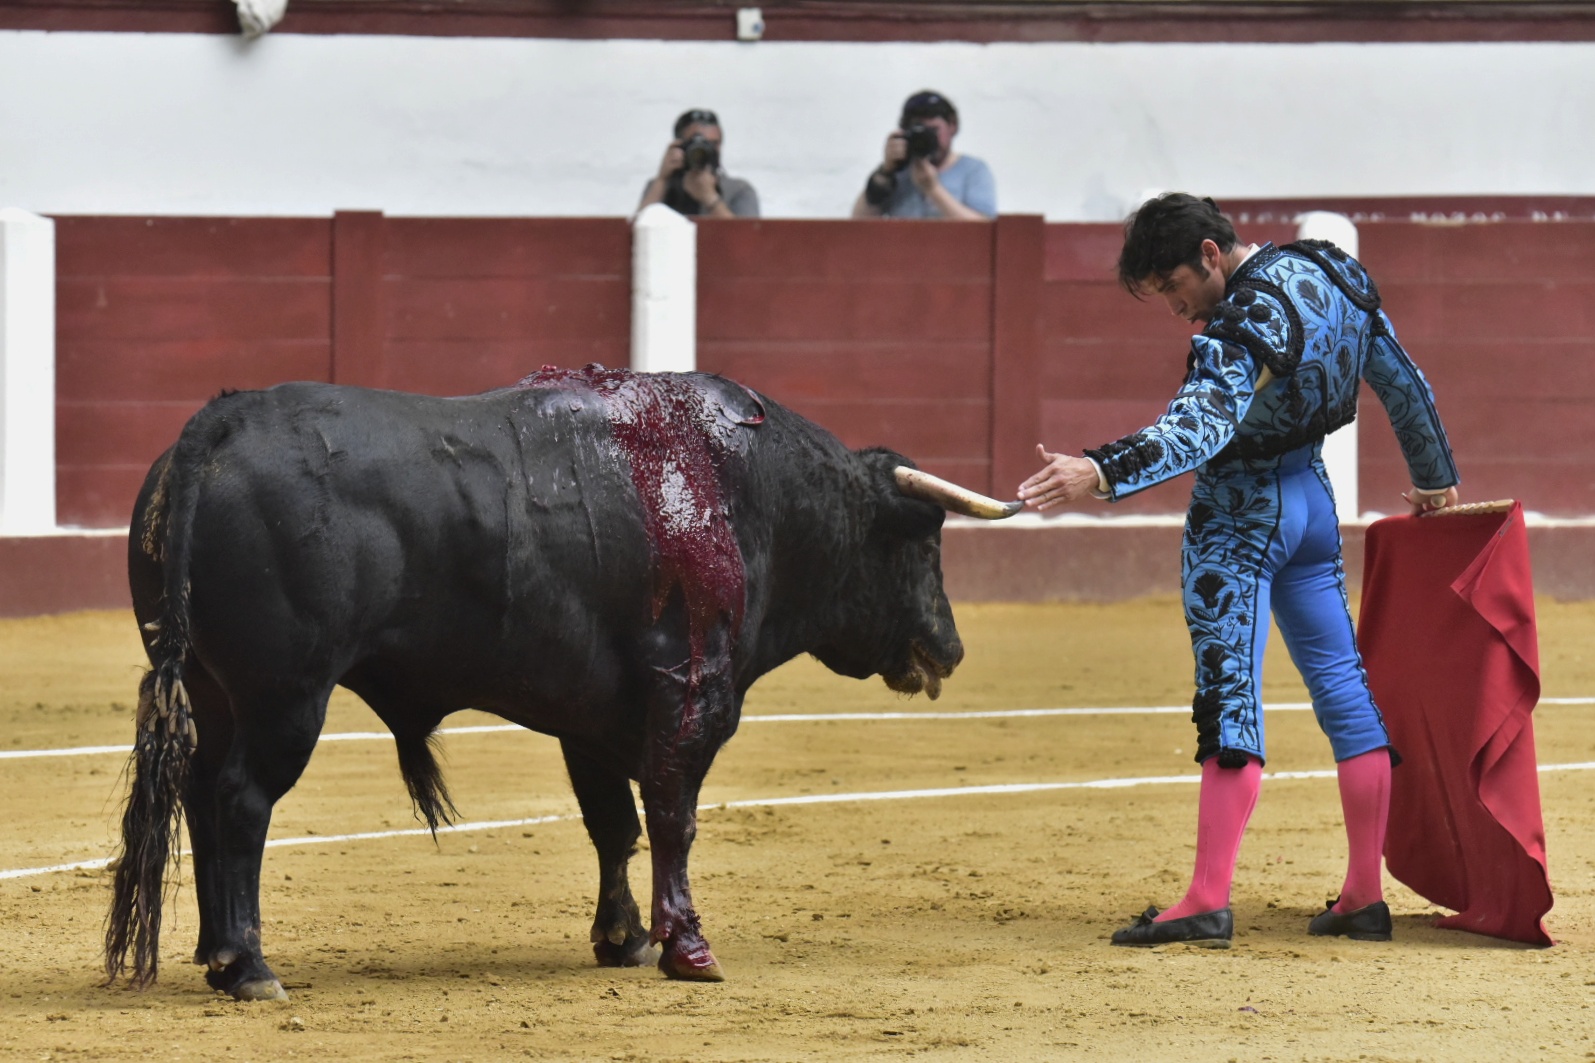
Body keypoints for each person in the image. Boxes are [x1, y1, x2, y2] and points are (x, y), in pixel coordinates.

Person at [1018, 193, 1459, 948]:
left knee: (1229, 697)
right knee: (1344, 689)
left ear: (1209, 255)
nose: (1175, 309)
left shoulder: (1236, 327)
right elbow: (1398, 377)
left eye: (1172, 288)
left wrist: (1098, 470)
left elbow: (1198, 428)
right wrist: (1434, 473)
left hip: (1237, 516)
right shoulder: (1332, 273)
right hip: (1310, 506)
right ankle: (1361, 894)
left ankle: (1205, 898)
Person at [851, 90, 996, 221]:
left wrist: (932, 189)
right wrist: (885, 171)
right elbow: (858, 222)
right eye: (920, 131)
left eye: (934, 130)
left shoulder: (973, 170)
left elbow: (982, 229)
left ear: (952, 126)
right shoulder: (899, 171)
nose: (928, 138)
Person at [638, 109, 759, 219]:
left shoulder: (739, 189)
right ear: (680, 145)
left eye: (713, 144)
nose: (706, 150)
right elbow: (637, 230)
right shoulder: (660, 187)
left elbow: (748, 237)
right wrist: (662, 179)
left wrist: (710, 199)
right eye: (697, 142)